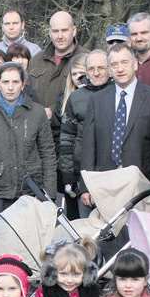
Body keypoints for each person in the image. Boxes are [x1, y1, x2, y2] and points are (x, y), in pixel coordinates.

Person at [78, 44, 150, 211]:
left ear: (135, 64)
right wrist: (86, 185)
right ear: (109, 70)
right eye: (114, 64)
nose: (120, 69)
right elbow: (89, 145)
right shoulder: (97, 100)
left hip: (141, 184)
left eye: (124, 62)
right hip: (104, 183)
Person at [0, 62, 56, 231]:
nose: (10, 87)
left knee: (29, 240)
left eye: (15, 82)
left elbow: (48, 153)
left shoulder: (37, 112)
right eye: (5, 82)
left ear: (23, 84)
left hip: (30, 188)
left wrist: (49, 193)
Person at [58, 50, 110, 194]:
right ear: (86, 71)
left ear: (109, 69)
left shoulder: (119, 94)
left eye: (101, 68)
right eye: (91, 69)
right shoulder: (76, 98)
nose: (96, 73)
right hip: (82, 173)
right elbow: (66, 139)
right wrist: (68, 177)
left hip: (112, 173)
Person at [28, 11, 86, 118]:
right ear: (50, 33)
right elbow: (26, 94)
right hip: (38, 128)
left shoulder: (87, 59)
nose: (60, 36)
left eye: (64, 30)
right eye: (55, 31)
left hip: (71, 128)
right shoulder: (36, 60)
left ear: (74, 31)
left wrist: (53, 111)